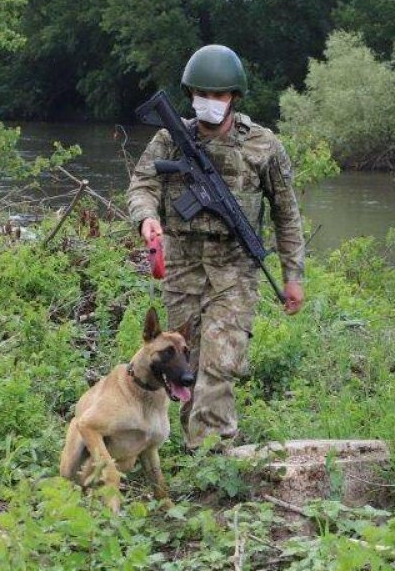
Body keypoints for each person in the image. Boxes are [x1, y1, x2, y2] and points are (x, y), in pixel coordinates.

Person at [126, 44, 305, 451]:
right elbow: (142, 184)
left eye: (219, 95)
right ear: (191, 95)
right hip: (183, 268)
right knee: (185, 365)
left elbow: (287, 215)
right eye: (201, 94)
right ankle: (196, 448)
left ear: (234, 97)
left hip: (235, 271)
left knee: (220, 363)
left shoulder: (263, 145)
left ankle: (216, 455)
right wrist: (147, 217)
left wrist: (293, 276)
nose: (209, 103)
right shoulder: (169, 139)